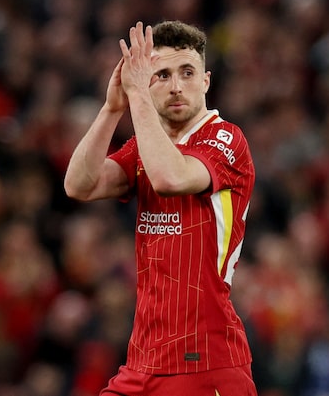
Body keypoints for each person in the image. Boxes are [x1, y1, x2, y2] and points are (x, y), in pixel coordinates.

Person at [64, 20, 257, 396]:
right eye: (162, 75)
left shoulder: (226, 139)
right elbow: (79, 185)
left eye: (187, 72)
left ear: (206, 81)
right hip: (143, 360)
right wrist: (112, 108)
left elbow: (171, 178)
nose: (176, 86)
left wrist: (139, 96)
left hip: (205, 363)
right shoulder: (146, 146)